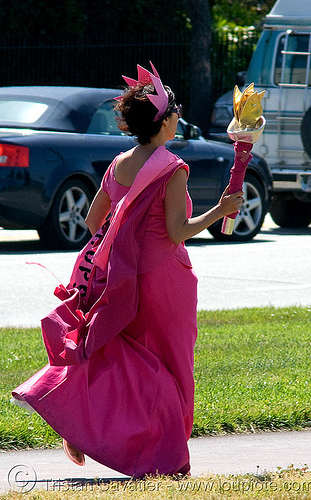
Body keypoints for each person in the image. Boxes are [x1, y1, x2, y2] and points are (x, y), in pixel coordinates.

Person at [12, 63, 244, 478]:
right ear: (165, 120)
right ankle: (162, 456)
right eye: (174, 112)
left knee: (122, 358)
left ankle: (84, 422)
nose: (177, 118)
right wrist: (221, 210)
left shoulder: (119, 162)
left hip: (119, 281)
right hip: (163, 281)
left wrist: (125, 242)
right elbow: (179, 231)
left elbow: (91, 222)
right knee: (169, 369)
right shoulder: (173, 167)